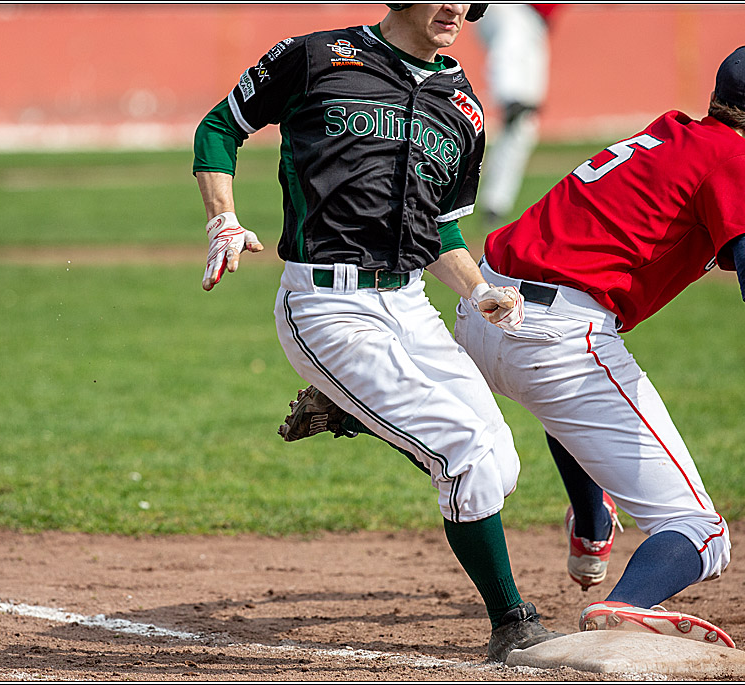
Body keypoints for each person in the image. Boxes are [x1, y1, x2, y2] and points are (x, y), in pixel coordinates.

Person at [192, 3, 564, 663]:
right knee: (464, 456)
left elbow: (441, 227)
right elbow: (220, 126)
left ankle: (352, 409)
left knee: (500, 464)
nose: (459, 7)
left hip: (410, 303)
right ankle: (511, 620)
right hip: (325, 308)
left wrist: (478, 291)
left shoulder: (463, 105)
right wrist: (222, 218)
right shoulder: (314, 57)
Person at [454, 43, 745, 646]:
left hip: (481, 306)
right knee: (700, 530)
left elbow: (681, 217)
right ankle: (623, 607)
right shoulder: (740, 165)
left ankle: (592, 523)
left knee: (568, 405)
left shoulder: (670, 131)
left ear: (715, 100)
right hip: (556, 338)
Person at [475, 4, 561, 225]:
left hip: (537, 24)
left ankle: (496, 203)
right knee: (509, 39)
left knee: (523, 124)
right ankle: (508, 95)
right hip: (509, 7)